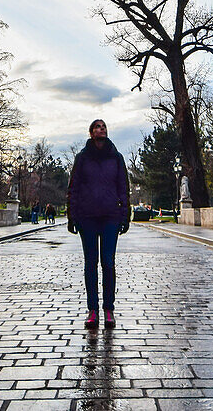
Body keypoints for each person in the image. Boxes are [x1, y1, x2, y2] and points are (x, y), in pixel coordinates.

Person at [67, 119, 130, 330]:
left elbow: (123, 188)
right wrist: (71, 216)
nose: (101, 129)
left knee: (109, 263)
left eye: (103, 126)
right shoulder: (82, 158)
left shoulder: (116, 158)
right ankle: (92, 310)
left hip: (110, 217)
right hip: (88, 217)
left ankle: (108, 309)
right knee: (90, 264)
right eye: (97, 127)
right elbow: (73, 188)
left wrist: (125, 215)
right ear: (91, 132)